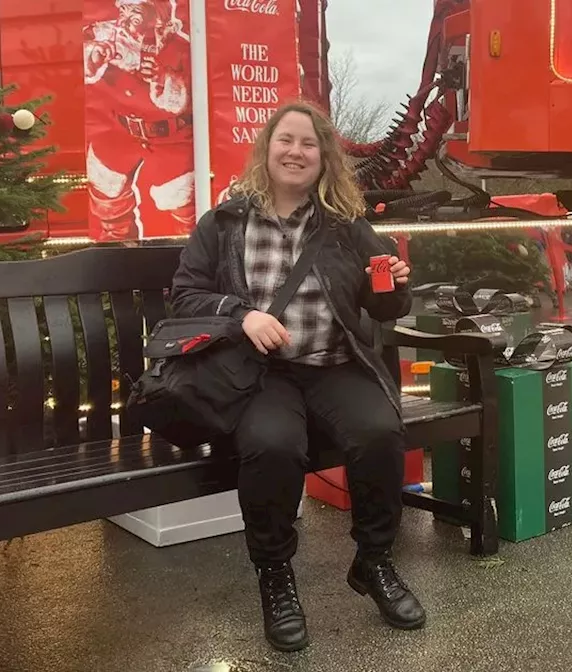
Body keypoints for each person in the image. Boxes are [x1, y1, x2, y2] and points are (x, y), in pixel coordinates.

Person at [168, 100, 422, 652]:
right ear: (267, 148)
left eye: (309, 144)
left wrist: (396, 284)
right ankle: (276, 576)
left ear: (324, 158)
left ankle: (374, 561)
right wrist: (243, 315)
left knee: (380, 432)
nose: (296, 152)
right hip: (261, 375)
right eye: (286, 140)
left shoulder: (347, 229)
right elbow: (183, 297)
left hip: (333, 365)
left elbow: (385, 310)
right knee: (272, 445)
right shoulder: (225, 223)